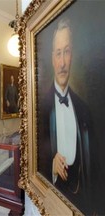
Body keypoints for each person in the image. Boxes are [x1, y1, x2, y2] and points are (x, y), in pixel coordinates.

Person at [38, 18, 93, 215]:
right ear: (52, 58)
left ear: (73, 56)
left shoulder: (84, 108)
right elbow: (32, 156)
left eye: (67, 52)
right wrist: (50, 167)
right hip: (53, 198)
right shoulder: (40, 108)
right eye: (58, 53)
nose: (62, 63)